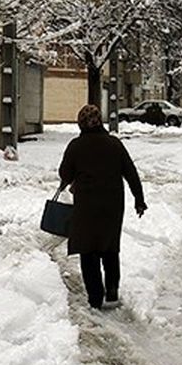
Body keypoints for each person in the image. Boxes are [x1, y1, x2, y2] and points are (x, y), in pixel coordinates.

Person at [58, 104, 146, 310]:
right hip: (112, 206)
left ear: (81, 123)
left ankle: (95, 297)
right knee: (109, 248)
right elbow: (131, 173)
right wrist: (139, 199)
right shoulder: (114, 144)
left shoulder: (76, 146)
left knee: (88, 252)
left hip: (86, 207)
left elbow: (65, 174)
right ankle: (112, 290)